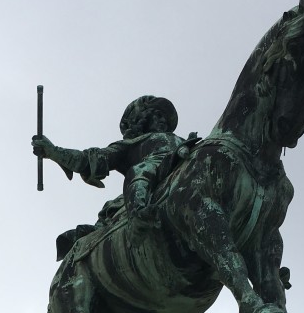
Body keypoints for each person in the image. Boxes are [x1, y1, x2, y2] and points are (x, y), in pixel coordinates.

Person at [33, 95, 199, 230]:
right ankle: (139, 215)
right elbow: (91, 159)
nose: (163, 121)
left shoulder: (178, 139)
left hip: (183, 164)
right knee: (141, 170)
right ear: (142, 120)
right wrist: (54, 152)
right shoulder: (129, 145)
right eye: (157, 115)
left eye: (165, 118)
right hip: (151, 173)